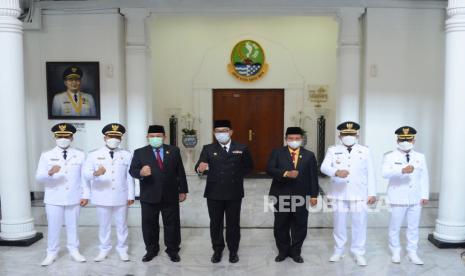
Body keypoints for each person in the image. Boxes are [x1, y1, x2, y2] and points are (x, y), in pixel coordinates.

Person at [195, 120, 253, 263]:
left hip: (234, 191)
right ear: (214, 133)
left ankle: (233, 251)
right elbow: (199, 166)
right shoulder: (208, 148)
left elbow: (249, 166)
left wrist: (236, 176)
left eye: (224, 130)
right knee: (216, 223)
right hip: (214, 192)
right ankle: (217, 250)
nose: (221, 134)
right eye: (218, 131)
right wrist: (199, 169)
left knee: (233, 223)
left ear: (231, 132)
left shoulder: (241, 147)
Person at [320, 121, 377, 266]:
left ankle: (359, 252)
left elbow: (371, 173)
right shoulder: (333, 150)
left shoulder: (365, 151)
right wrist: (336, 172)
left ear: (357, 135)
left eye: (351, 134)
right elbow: (324, 167)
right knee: (339, 223)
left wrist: (372, 193)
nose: (349, 136)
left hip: (360, 193)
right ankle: (339, 251)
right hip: (339, 193)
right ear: (340, 135)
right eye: (345, 134)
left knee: (359, 223)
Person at [129, 125, 188, 262]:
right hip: (149, 195)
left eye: (158, 136)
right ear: (147, 137)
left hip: (170, 194)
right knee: (149, 225)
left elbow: (180, 172)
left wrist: (183, 190)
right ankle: (151, 250)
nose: (155, 138)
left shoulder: (173, 151)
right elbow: (132, 170)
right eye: (152, 136)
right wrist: (140, 173)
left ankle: (173, 250)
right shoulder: (140, 152)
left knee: (172, 224)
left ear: (164, 137)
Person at [35, 123, 89, 266]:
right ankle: (51, 253)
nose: (63, 138)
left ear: (72, 137)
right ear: (55, 137)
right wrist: (50, 172)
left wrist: (85, 195)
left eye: (66, 136)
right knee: (53, 226)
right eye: (60, 136)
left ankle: (74, 250)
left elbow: (84, 177)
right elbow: (39, 177)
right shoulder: (47, 155)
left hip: (74, 196)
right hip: (54, 198)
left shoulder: (80, 154)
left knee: (73, 226)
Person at [82, 123, 135, 262]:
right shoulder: (94, 155)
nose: (114, 138)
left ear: (121, 138)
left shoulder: (126, 155)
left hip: (121, 196)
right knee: (104, 225)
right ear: (105, 137)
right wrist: (96, 173)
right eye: (111, 136)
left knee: (122, 224)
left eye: (117, 136)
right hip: (102, 195)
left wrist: (131, 195)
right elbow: (85, 175)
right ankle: (103, 249)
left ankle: (122, 249)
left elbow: (129, 177)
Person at [266, 127, 319, 263]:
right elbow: (270, 169)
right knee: (281, 225)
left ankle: (296, 252)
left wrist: (314, 196)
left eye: (297, 139)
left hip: (301, 196)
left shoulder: (309, 155)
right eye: (291, 138)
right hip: (281, 194)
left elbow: (313, 177)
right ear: (286, 139)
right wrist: (285, 173)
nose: (294, 141)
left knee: (300, 225)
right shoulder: (277, 152)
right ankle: (283, 251)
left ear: (301, 139)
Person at [382, 126, 429, 265]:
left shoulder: (420, 157)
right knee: (395, 226)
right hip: (397, 196)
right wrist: (401, 170)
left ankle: (412, 252)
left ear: (413, 140)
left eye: (408, 139)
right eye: (402, 139)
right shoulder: (389, 156)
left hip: (415, 197)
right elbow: (384, 173)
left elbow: (424, 177)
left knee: (414, 227)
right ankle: (395, 250)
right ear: (397, 139)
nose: (405, 141)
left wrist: (425, 194)